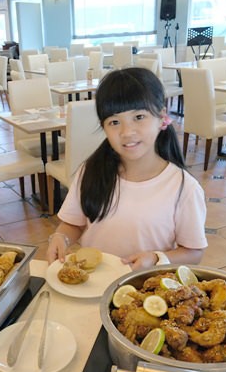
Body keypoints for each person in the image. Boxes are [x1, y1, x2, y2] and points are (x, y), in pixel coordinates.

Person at [46, 67, 207, 270]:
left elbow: (194, 252)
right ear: (104, 128)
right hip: (94, 284)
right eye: (114, 122)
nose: (127, 132)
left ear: (162, 118)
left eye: (139, 117)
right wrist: (61, 237)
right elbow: (74, 223)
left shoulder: (184, 188)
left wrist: (156, 258)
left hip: (146, 290)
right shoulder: (91, 171)